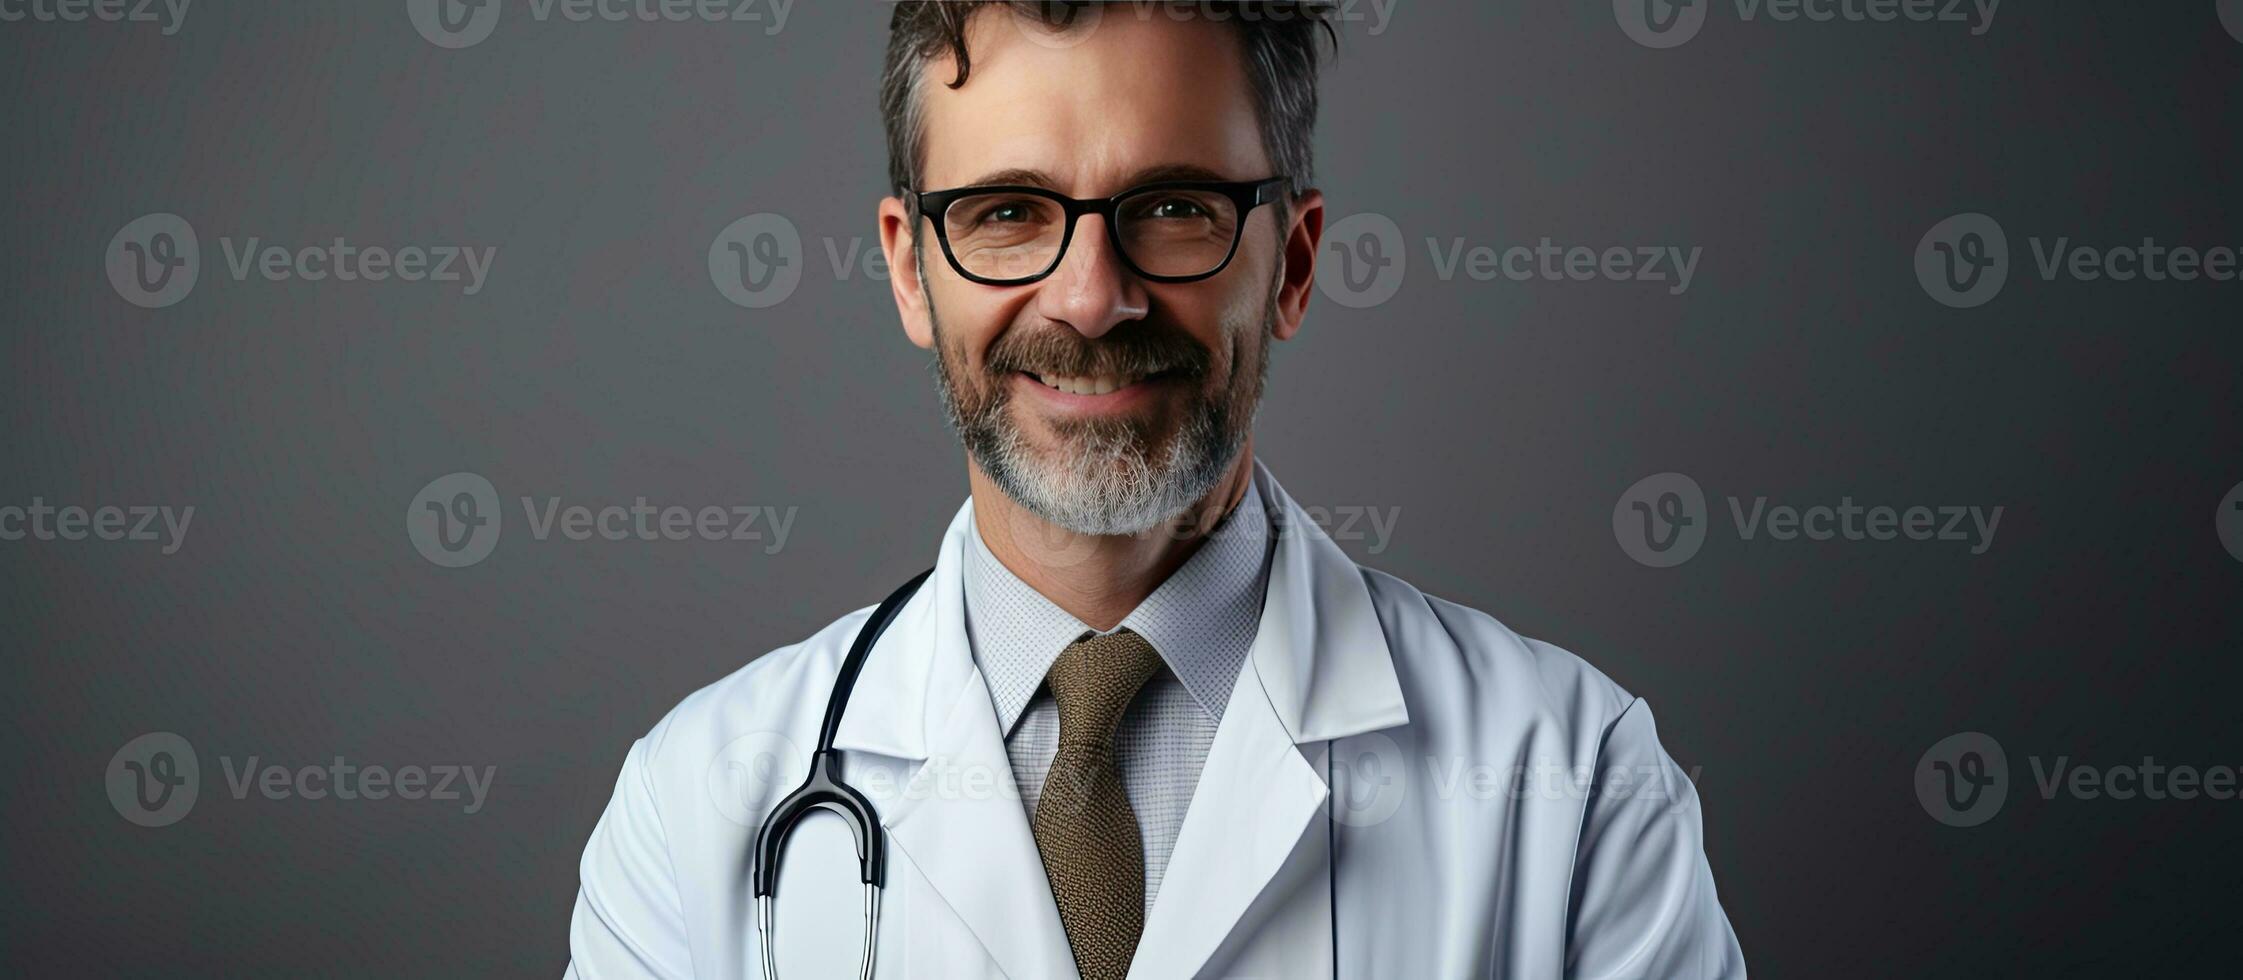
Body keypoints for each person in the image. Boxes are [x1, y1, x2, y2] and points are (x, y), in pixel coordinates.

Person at [567, 3, 1746, 977]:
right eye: (1007, 213)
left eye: (1174, 208)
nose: (1089, 297)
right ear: (909, 270)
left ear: (1288, 262)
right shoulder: (693, 806)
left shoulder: (1574, 782)